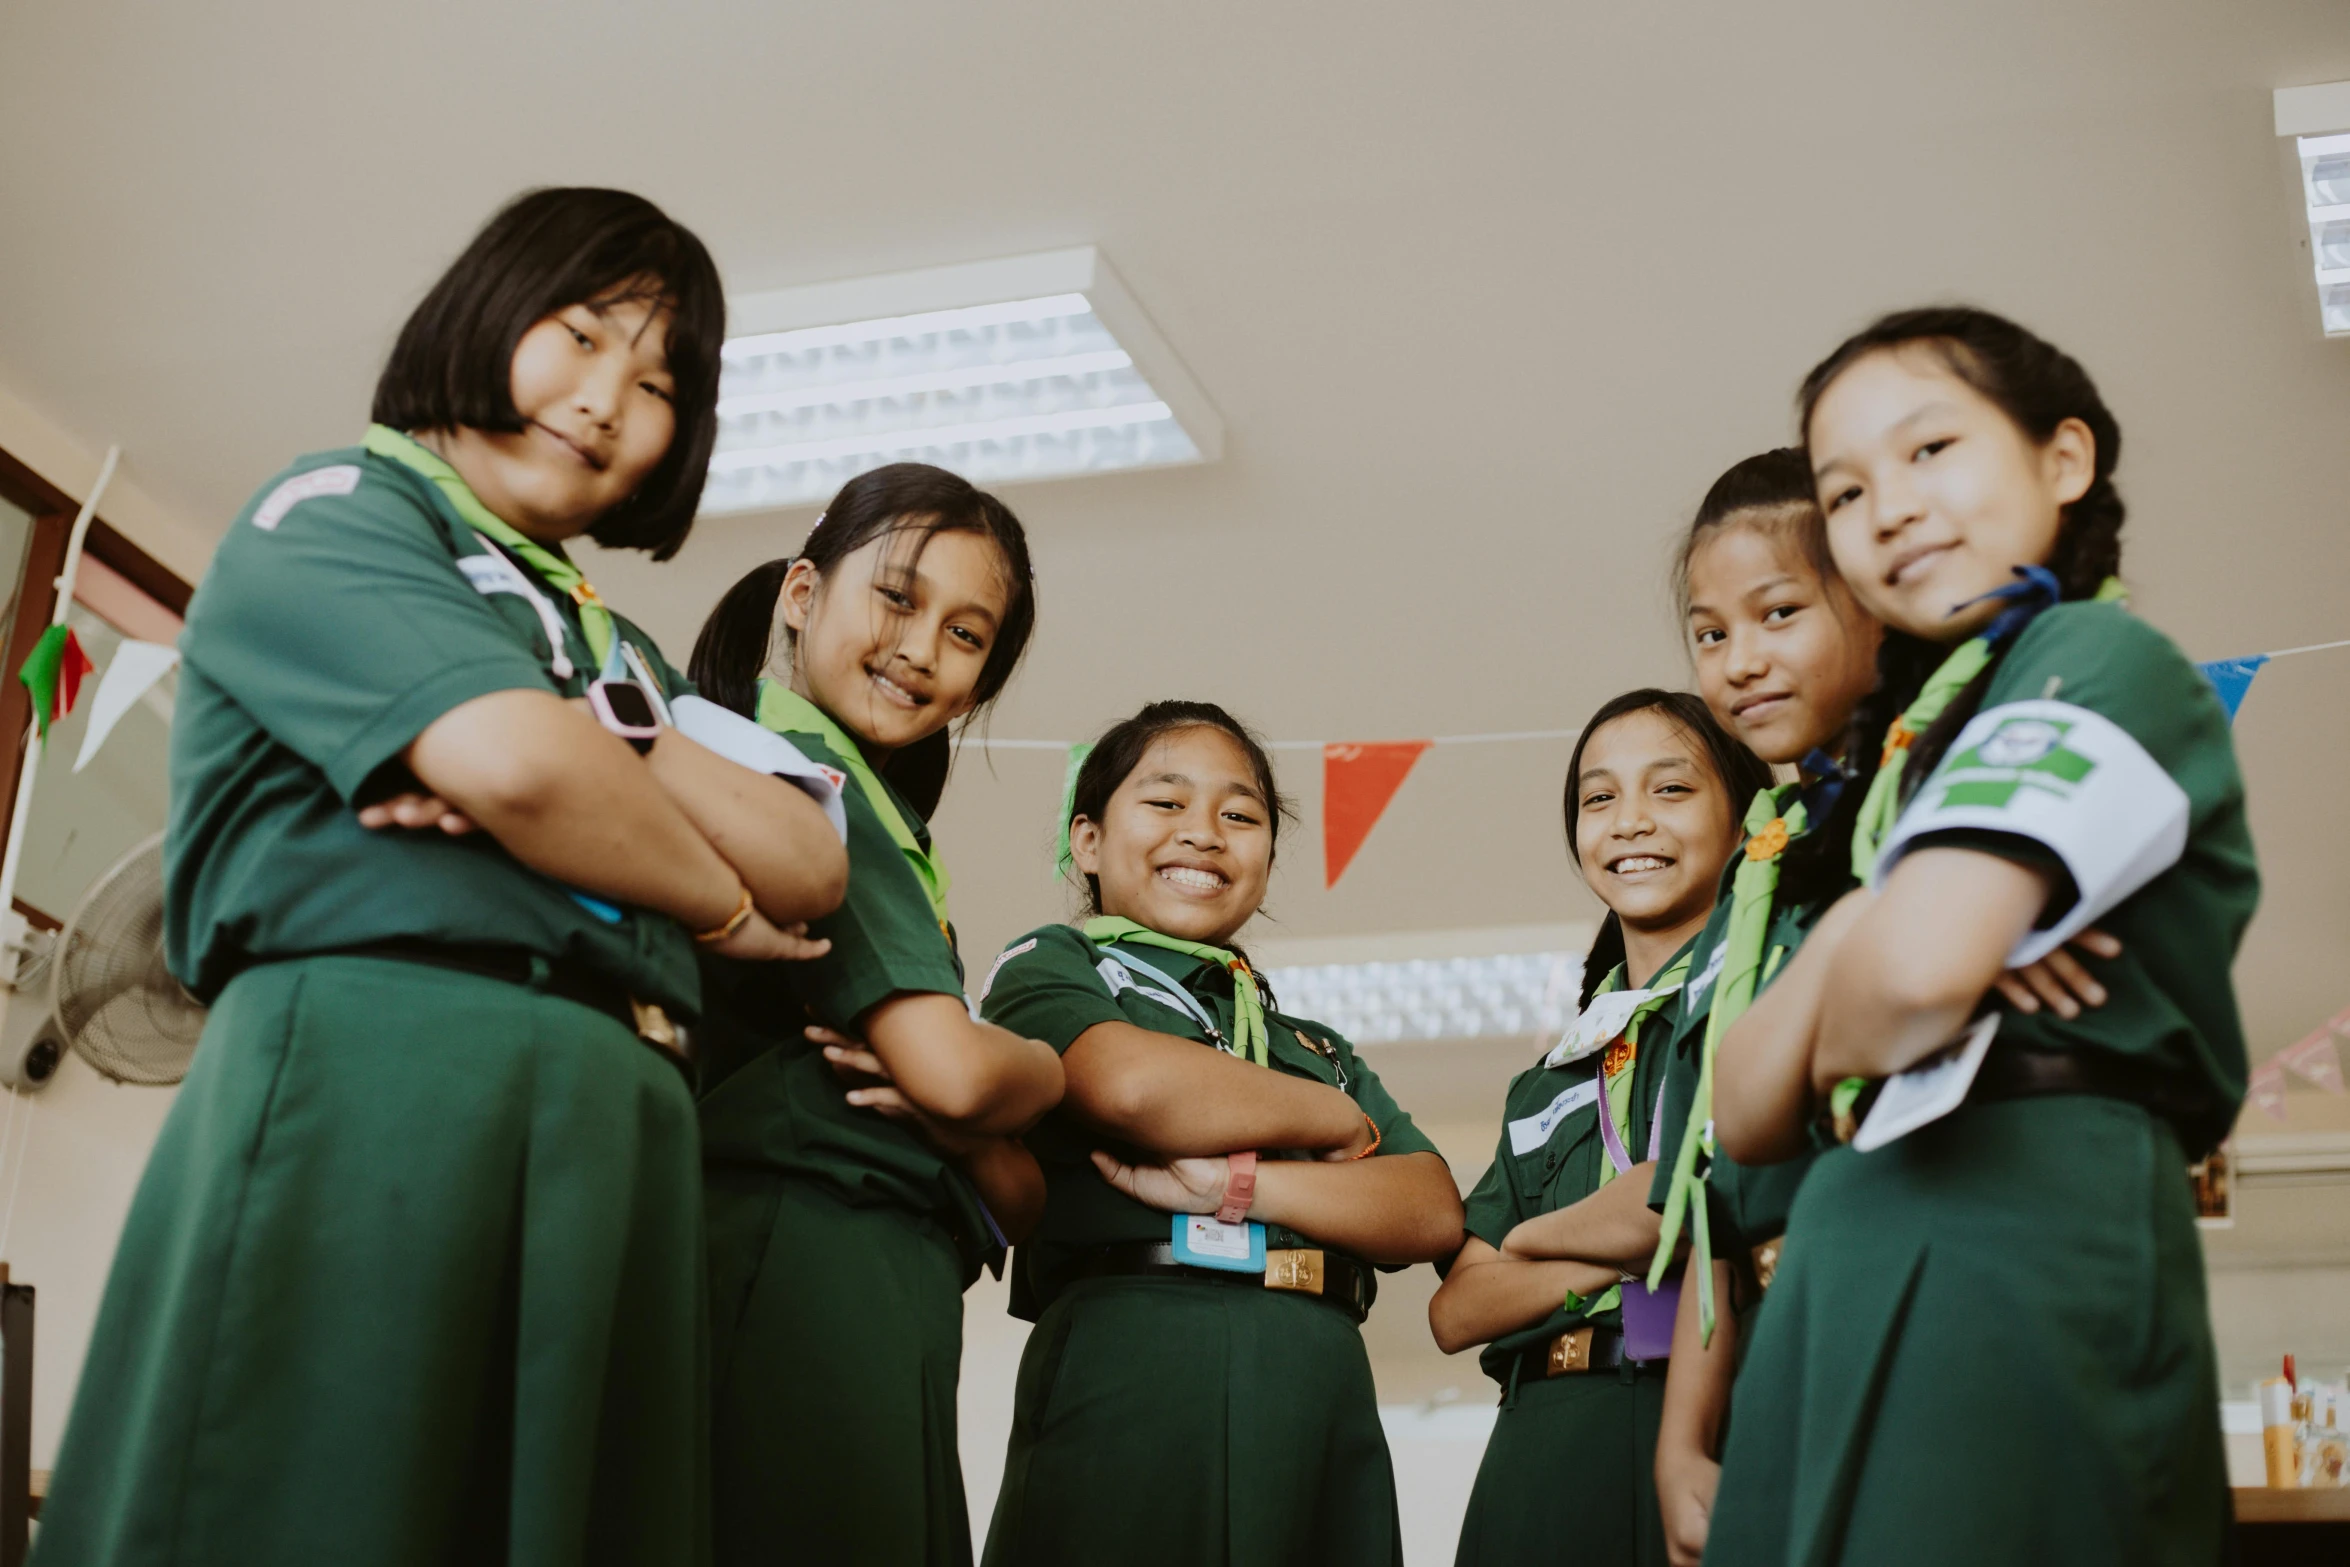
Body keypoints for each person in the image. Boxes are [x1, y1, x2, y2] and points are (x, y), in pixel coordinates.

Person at [35, 187, 850, 1567]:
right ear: (484, 311)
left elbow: (809, 857)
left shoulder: (607, 638)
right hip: (385, 1066)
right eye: (580, 336)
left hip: (623, 1116)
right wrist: (702, 895)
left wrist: (591, 746)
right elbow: (519, 766)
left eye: (656, 383)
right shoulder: (341, 507)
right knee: (313, 1503)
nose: (604, 401)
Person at [1701, 307, 2258, 1565]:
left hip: (2019, 1211)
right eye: (1844, 491)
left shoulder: (2094, 650)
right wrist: (1859, 918)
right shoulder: (1904, 773)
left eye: (1931, 448)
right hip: (1857, 1226)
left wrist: (1886, 959)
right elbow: (1741, 1105)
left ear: (2063, 460)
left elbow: (1910, 981)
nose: (1888, 508)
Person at [1639, 450, 2116, 1565]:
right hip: (1772, 1351)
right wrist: (1680, 1443)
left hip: (1930, 1308)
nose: (1738, 662)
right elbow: (1719, 1176)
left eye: (1779, 613)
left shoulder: (1946, 818)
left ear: (1876, 605)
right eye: (1709, 633)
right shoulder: (1759, 879)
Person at [975, 701, 1460, 1567]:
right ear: (1087, 841)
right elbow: (1131, 1088)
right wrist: (1331, 1118)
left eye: (1239, 816)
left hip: (1318, 1380)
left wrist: (1240, 1185)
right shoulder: (1057, 964)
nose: (1203, 833)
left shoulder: (1312, 1043)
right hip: (1136, 1356)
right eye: (1165, 803)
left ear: (1267, 859)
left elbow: (1427, 1209)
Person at [687, 463, 1063, 1567]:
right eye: (894, 598)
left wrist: (979, 1117)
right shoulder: (791, 775)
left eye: (965, 632)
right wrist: (1041, 1067)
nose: (919, 647)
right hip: (796, 1261)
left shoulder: (882, 815)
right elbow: (951, 1080)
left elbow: (1017, 1190)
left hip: (884, 1277)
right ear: (801, 593)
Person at [1429, 689, 1769, 1567]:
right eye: (1600, 797)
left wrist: (1533, 1245)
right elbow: (1459, 1308)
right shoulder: (1552, 1078)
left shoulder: (1766, 996)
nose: (1630, 823)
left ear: (1742, 817)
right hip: (1544, 1437)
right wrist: (1607, 1246)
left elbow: (1677, 1202)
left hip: (1722, 1415)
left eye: (1670, 790)